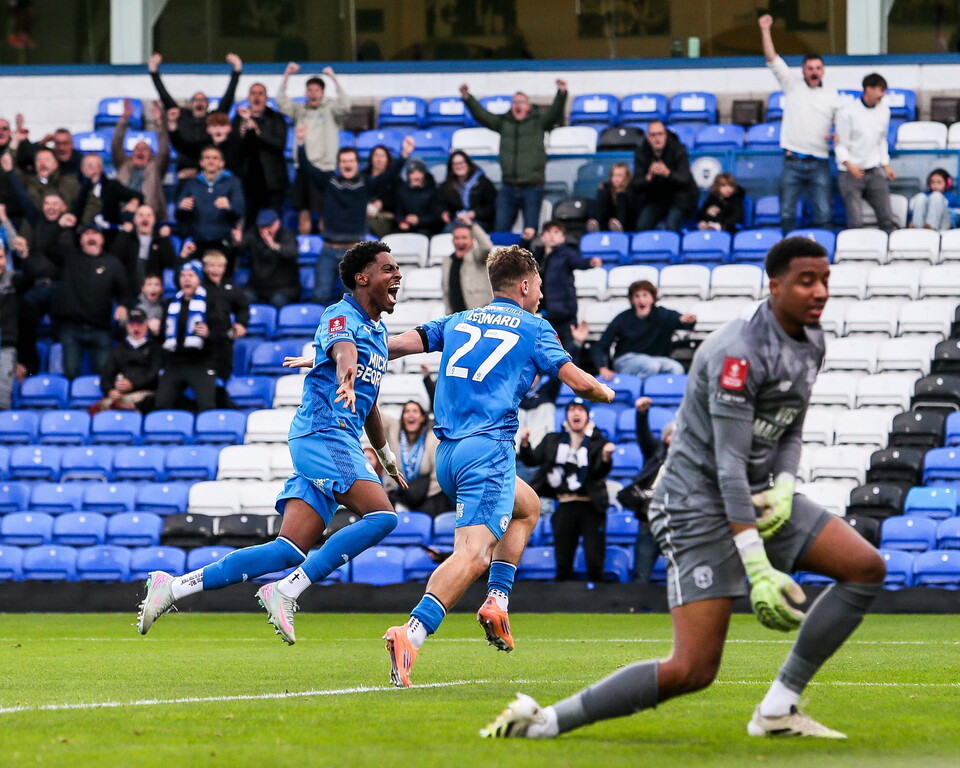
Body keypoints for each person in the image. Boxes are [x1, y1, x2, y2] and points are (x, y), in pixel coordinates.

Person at [481, 236, 887, 741]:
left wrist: (784, 486)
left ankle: (778, 708)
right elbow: (727, 463)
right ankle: (544, 723)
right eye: (807, 280)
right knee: (692, 670)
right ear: (774, 285)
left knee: (865, 567)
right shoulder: (738, 352)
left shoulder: (812, 340)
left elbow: (790, 426)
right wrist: (756, 564)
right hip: (694, 505)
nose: (820, 291)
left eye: (825, 280)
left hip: (755, 494)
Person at [137, 242, 408, 639]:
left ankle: (172, 588)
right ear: (362, 278)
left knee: (288, 549)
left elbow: (369, 403)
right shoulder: (340, 314)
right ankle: (288, 589)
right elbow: (344, 350)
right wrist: (344, 374)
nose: (397, 274)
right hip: (324, 434)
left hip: (334, 438)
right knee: (383, 516)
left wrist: (385, 455)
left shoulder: (379, 332)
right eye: (388, 268)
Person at [296, 127, 414, 304]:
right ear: (338, 164)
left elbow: (388, 176)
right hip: (329, 249)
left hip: (354, 252)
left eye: (351, 160)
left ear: (357, 164)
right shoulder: (328, 182)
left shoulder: (365, 184)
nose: (347, 164)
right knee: (319, 296)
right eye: (343, 161)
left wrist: (404, 155)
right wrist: (300, 142)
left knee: (354, 299)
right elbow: (306, 167)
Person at [518, 398, 615, 582]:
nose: (575, 413)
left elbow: (599, 472)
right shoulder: (553, 440)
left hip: (591, 507)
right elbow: (533, 460)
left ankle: (598, 602)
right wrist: (525, 444)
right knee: (563, 559)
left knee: (595, 561)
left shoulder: (598, 442)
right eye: (572, 409)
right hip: (564, 504)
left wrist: (606, 458)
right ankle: (562, 602)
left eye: (580, 409)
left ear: (587, 415)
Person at [759, 13, 840, 233]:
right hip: (792, 161)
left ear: (823, 71)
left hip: (820, 163)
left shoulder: (833, 96)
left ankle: (825, 255)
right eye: (810, 68)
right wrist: (765, 29)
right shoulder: (792, 85)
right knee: (786, 213)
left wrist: (840, 134)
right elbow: (771, 58)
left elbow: (844, 123)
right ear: (803, 71)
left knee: (824, 213)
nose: (814, 72)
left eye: (818, 68)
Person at [460, 81, 568, 239]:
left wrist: (562, 92)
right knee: (501, 230)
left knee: (530, 231)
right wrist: (467, 97)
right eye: (515, 102)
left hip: (532, 187)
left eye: (521, 102)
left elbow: (555, 111)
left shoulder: (539, 122)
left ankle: (528, 263)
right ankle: (501, 262)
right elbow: (482, 116)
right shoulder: (504, 123)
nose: (517, 105)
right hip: (508, 187)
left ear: (528, 106)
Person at [277, 62, 351, 235]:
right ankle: (305, 249)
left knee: (327, 213)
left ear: (323, 93)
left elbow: (346, 104)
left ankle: (328, 250)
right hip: (304, 169)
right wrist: (287, 74)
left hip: (325, 169)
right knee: (304, 214)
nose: (313, 93)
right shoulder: (299, 110)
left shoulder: (332, 110)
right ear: (305, 92)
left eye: (317, 90)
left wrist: (333, 78)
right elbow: (281, 101)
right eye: (310, 90)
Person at [148, 51, 242, 177]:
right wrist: (153, 71)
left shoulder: (213, 119)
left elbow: (228, 98)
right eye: (196, 100)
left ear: (207, 105)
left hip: (208, 167)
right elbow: (164, 95)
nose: (200, 102)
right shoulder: (180, 115)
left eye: (203, 100)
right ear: (190, 104)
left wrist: (236, 71)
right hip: (185, 165)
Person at [58, 223, 130, 379]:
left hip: (101, 329)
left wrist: (123, 305)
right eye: (86, 234)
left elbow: (125, 292)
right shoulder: (70, 258)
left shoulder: (113, 263)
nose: (91, 237)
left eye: (95, 233)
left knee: (105, 377)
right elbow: (55, 242)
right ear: (80, 240)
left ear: (102, 239)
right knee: (70, 373)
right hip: (72, 329)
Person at [615, 396, 672, 583]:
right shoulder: (656, 453)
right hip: (649, 525)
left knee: (681, 576)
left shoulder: (691, 461)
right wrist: (641, 414)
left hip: (676, 526)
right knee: (642, 576)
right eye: (672, 435)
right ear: (665, 438)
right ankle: (638, 611)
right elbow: (644, 436)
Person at [152, 260, 220, 413]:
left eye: (191, 275)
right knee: (161, 404)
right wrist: (156, 332)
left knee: (206, 406)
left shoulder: (211, 302)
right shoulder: (171, 304)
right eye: (183, 275)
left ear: (199, 279)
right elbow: (163, 338)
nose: (186, 279)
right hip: (174, 363)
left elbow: (222, 333)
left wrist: (209, 334)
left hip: (201, 362)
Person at [593, 280, 696, 380]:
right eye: (637, 296)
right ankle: (639, 395)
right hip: (626, 360)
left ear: (652, 298)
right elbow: (602, 345)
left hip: (657, 359)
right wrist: (602, 367)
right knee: (650, 365)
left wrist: (689, 321)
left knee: (676, 369)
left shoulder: (663, 315)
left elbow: (683, 323)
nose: (641, 300)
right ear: (632, 300)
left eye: (645, 295)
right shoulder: (623, 318)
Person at [527, 219, 601, 354]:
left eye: (556, 232)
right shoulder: (537, 255)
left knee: (568, 351)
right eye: (548, 232)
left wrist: (590, 262)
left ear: (563, 237)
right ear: (542, 237)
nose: (552, 235)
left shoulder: (566, 253)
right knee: (548, 350)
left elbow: (577, 261)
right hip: (547, 312)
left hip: (566, 312)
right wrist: (525, 240)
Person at [835, 73, 897, 232]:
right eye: (880, 90)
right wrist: (849, 165)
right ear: (868, 89)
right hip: (850, 173)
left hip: (874, 170)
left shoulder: (884, 110)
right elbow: (840, 144)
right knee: (855, 221)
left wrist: (886, 165)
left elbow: (881, 140)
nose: (883, 95)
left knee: (887, 219)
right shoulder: (846, 113)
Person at [383, 400, 451, 518]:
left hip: (427, 495)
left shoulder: (432, 438)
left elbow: (438, 476)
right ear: (402, 418)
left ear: (422, 418)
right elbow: (378, 416)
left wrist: (416, 497)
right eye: (407, 411)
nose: (411, 415)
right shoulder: (394, 432)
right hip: (400, 494)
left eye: (415, 411)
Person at [175, 145, 244, 260]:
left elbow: (240, 211)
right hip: (197, 243)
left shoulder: (233, 183)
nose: (211, 161)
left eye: (215, 158)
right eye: (207, 158)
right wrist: (181, 207)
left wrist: (230, 207)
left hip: (223, 242)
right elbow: (178, 215)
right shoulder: (191, 184)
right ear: (201, 162)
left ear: (222, 163)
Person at [233, 84, 289, 222]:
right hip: (247, 182)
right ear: (248, 98)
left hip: (272, 182)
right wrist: (242, 133)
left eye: (260, 93)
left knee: (273, 221)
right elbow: (234, 148)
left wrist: (257, 132)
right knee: (248, 222)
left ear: (266, 98)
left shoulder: (277, 118)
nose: (256, 97)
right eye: (253, 93)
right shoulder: (239, 119)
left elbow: (279, 144)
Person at [91, 308, 162, 415]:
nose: (136, 328)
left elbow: (154, 375)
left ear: (146, 325)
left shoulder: (155, 349)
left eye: (139, 324)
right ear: (126, 326)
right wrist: (110, 391)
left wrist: (133, 384)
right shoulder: (118, 350)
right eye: (132, 324)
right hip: (120, 395)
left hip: (145, 395)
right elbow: (106, 375)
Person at [631, 120, 698, 232]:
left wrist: (667, 173)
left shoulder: (678, 150)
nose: (657, 138)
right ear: (648, 137)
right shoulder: (641, 153)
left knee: (671, 226)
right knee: (641, 227)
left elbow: (685, 179)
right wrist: (648, 177)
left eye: (660, 134)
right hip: (655, 199)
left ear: (665, 135)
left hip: (679, 198)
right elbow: (636, 183)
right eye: (653, 135)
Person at [112, 100, 170, 223]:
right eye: (137, 148)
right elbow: (115, 146)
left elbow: (164, 150)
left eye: (145, 149)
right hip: (122, 214)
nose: (140, 151)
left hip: (149, 216)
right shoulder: (123, 163)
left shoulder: (156, 167)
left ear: (152, 155)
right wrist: (123, 121)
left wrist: (160, 123)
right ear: (131, 153)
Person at [237, 208, 300, 308]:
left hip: (283, 288)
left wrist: (274, 246)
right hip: (257, 288)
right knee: (242, 298)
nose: (265, 230)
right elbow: (239, 252)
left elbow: (293, 253)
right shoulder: (253, 234)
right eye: (261, 227)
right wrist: (237, 242)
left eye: (269, 226)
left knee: (278, 301)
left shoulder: (287, 235)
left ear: (277, 223)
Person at [111, 204, 176, 295]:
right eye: (141, 215)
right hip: (128, 294)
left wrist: (165, 239)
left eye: (149, 215)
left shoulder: (159, 240)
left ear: (154, 220)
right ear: (135, 219)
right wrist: (123, 234)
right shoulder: (128, 238)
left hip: (152, 295)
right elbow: (114, 259)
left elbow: (170, 263)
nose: (145, 218)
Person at [435, 149, 498, 234]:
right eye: (455, 163)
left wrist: (473, 214)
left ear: (468, 164)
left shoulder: (484, 183)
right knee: (447, 231)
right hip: (456, 221)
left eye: (462, 162)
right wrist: (443, 212)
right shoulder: (446, 185)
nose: (459, 166)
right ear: (451, 167)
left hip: (479, 221)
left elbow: (491, 207)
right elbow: (439, 204)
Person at [0, 239, 30, 409]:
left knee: (2, 397)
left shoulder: (13, 281)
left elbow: (31, 279)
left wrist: (24, 254)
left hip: (5, 347)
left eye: (1, 257)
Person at [443, 222, 494, 314]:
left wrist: (473, 226)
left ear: (471, 240)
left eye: (464, 238)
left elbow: (487, 247)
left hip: (479, 315)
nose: (460, 242)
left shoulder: (477, 257)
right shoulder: (448, 261)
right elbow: (446, 291)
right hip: (455, 317)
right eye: (457, 238)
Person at [586, 162, 638, 233]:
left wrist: (621, 193)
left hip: (627, 223)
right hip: (608, 222)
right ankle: (596, 226)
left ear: (627, 177)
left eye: (619, 176)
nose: (615, 179)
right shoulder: (606, 189)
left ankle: (619, 227)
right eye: (614, 175)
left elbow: (634, 211)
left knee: (621, 196)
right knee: (603, 195)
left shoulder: (632, 189)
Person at [395, 158, 440, 236]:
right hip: (406, 228)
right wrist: (402, 221)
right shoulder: (401, 191)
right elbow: (398, 212)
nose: (416, 177)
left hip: (427, 229)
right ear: (408, 175)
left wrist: (419, 220)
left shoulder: (433, 191)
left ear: (424, 174)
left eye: (419, 173)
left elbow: (436, 216)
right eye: (412, 173)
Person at [363, 144, 398, 238]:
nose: (379, 159)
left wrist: (383, 203)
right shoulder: (361, 177)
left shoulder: (395, 180)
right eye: (376, 155)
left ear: (388, 159)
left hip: (383, 219)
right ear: (371, 158)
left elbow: (399, 202)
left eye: (382, 156)